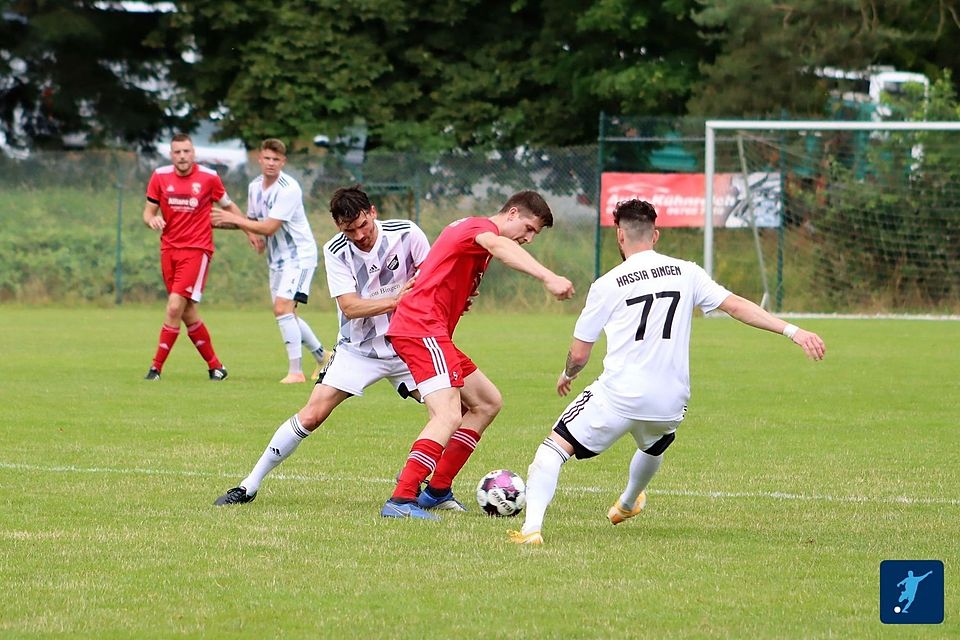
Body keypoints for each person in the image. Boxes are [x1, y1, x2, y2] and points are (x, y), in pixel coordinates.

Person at [508, 198, 826, 544]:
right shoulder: (687, 272)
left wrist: (568, 374)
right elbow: (735, 306)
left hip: (619, 396)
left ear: (620, 236)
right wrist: (793, 331)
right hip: (670, 401)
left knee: (552, 449)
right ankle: (628, 502)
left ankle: (531, 529)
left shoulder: (607, 284)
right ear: (655, 235)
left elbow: (580, 354)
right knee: (654, 444)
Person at [213, 185, 431, 505]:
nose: (359, 235)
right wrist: (395, 301)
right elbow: (350, 307)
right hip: (358, 349)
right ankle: (249, 485)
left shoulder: (407, 233)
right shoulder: (336, 250)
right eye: (349, 230)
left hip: (407, 345)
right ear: (338, 226)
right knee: (312, 415)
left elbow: (433, 278)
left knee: (452, 412)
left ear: (372, 212)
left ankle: (430, 486)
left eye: (363, 225)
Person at [381, 191, 576, 520]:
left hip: (430, 329)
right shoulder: (480, 228)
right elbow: (499, 246)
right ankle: (401, 499)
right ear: (512, 213)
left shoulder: (470, 233)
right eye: (528, 228)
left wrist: (456, 294)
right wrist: (548, 276)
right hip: (420, 328)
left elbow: (437, 267)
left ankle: (437, 491)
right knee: (447, 415)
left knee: (487, 402)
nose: (528, 238)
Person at [142, 133, 259, 381]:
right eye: (177, 152)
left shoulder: (209, 178)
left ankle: (155, 369)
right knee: (186, 311)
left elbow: (229, 207)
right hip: (168, 250)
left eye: (186, 151)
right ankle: (216, 367)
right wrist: (152, 220)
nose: (182, 156)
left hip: (197, 249)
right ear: (171, 155)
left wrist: (248, 230)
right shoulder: (160, 176)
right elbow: (148, 212)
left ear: (193, 153)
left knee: (174, 306)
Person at [211, 138, 329, 383]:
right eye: (267, 158)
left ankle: (296, 372)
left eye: (276, 159)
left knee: (282, 308)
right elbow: (254, 221)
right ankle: (323, 357)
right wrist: (219, 224)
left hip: (299, 256)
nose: (271, 163)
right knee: (286, 313)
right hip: (277, 260)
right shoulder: (255, 187)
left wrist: (237, 221)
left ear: (283, 162)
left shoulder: (289, 188)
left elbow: (269, 227)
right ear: (259, 159)